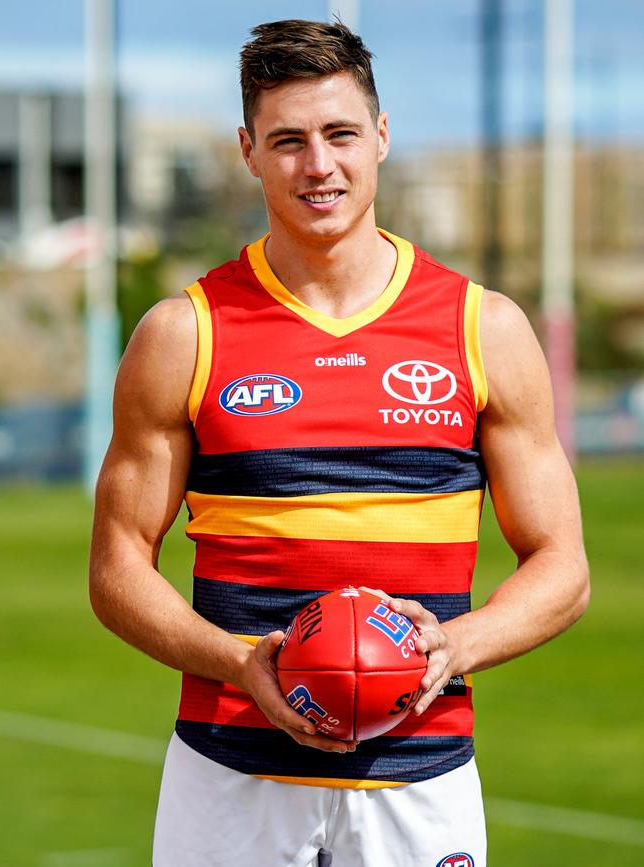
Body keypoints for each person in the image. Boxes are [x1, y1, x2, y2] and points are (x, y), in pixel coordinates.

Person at [89, 18, 589, 867]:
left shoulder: (483, 329)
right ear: (247, 150)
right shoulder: (186, 333)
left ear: (383, 136)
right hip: (229, 774)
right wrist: (241, 661)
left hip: (418, 778)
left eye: (341, 134)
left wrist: (453, 645)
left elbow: (562, 567)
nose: (319, 165)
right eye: (288, 140)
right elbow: (117, 568)